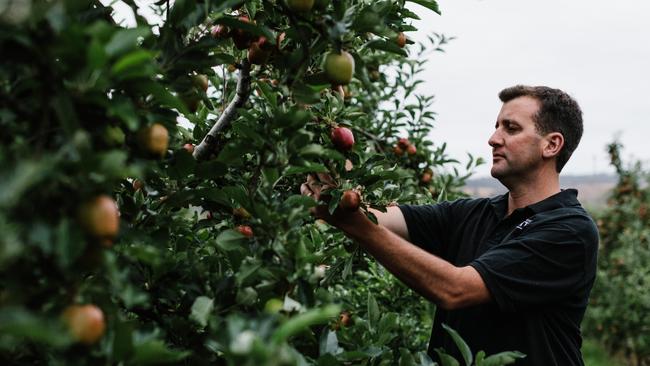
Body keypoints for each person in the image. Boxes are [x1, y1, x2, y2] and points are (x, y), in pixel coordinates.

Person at [300, 85, 599, 366]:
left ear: (552, 145)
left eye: (511, 128)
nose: (493, 138)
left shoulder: (570, 231)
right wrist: (326, 122)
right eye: (496, 126)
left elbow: (455, 289)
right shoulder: (475, 213)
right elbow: (369, 213)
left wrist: (355, 225)